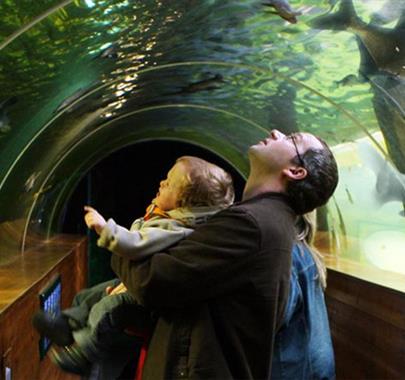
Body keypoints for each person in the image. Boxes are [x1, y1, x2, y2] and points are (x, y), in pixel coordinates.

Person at [110, 129, 339, 379]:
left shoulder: (252, 223)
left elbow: (151, 280)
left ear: (295, 172)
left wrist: (119, 241)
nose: (276, 132)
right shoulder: (270, 221)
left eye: (292, 139)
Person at [32, 156, 235, 378]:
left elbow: (137, 244)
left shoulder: (176, 229)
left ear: (183, 202)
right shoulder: (168, 218)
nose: (161, 183)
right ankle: (67, 324)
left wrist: (104, 228)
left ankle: (84, 353)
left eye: (169, 183)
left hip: (149, 307)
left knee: (109, 306)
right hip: (136, 287)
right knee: (90, 295)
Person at [272, 212, 336, 380]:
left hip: (293, 370)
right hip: (316, 368)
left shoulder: (287, 257)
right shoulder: (307, 252)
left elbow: (276, 318)